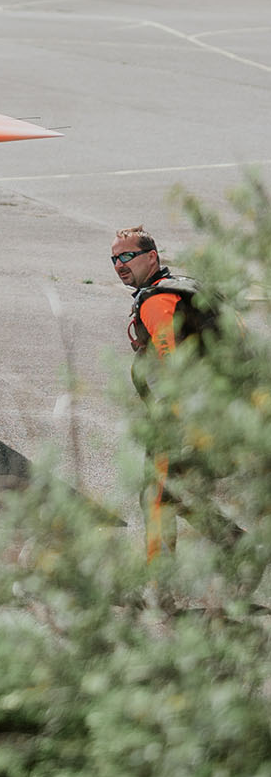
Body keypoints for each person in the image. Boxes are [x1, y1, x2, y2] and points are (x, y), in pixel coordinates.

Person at [112, 225, 219, 557]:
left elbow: (170, 360)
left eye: (128, 256)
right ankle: (237, 543)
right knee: (177, 495)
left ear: (152, 257)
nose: (119, 265)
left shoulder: (157, 300)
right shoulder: (187, 289)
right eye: (114, 259)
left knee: (157, 496)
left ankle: (160, 588)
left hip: (184, 417)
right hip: (221, 409)